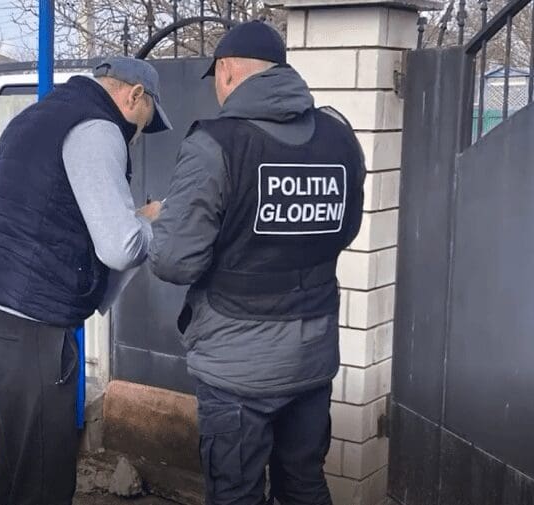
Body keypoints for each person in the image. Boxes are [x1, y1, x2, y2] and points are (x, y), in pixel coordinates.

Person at [148, 21, 365, 505]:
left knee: (236, 494)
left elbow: (173, 261)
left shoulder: (215, 144)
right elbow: (345, 230)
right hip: (313, 356)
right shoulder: (339, 138)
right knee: (304, 485)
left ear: (227, 71)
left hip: (237, 370)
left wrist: (165, 220)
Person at [0, 57, 170, 505]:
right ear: (134, 95)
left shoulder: (36, 118)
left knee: (18, 463)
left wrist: (134, 217)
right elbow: (120, 248)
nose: (138, 135)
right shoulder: (98, 129)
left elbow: (55, 214)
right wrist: (154, 224)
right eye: (144, 121)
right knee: (45, 477)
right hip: (32, 326)